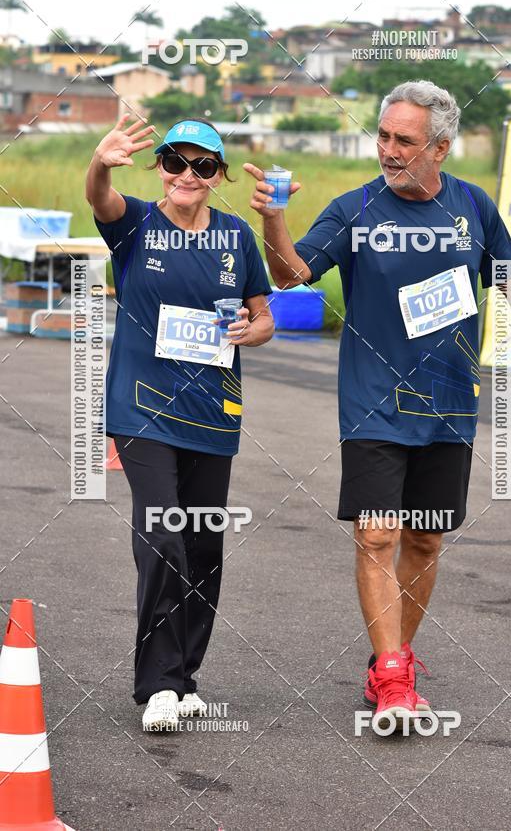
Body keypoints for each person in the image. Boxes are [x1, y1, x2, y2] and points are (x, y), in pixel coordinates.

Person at [244, 80, 511, 731]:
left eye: (405, 140)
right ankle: (393, 670)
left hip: (449, 408)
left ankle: (391, 660)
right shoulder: (354, 208)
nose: (390, 150)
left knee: (424, 537)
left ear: (441, 147)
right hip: (372, 404)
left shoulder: (472, 209)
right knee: (376, 531)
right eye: (383, 136)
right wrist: (274, 217)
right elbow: (289, 274)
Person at [86, 115, 274, 731]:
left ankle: (186, 678)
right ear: (158, 167)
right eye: (175, 162)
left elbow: (263, 317)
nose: (186, 176)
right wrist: (99, 163)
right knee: (163, 534)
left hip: (213, 416)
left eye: (202, 166)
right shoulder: (136, 224)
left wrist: (252, 328)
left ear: (217, 175)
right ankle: (159, 685)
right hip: (142, 410)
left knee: (203, 548)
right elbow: (99, 198)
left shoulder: (237, 237)